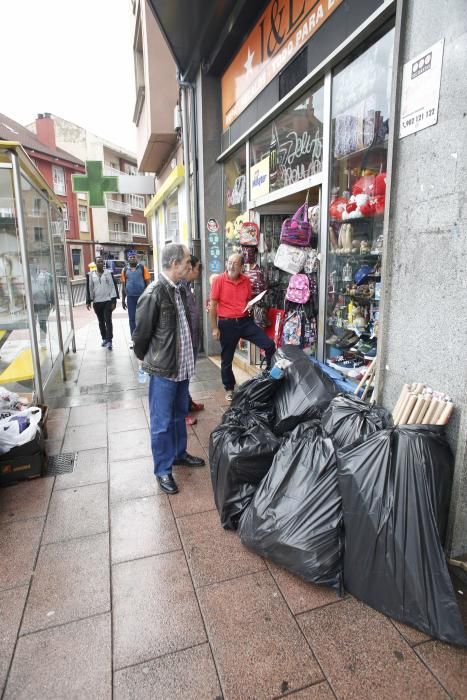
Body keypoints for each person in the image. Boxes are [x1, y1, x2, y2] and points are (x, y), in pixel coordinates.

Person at [133, 243, 205, 495]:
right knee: (162, 422)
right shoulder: (154, 293)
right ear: (174, 264)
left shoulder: (181, 289)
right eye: (186, 261)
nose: (189, 265)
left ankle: (178, 454)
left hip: (182, 368)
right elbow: (140, 336)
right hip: (164, 371)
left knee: (178, 415)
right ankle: (163, 470)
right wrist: (146, 360)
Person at [209, 253, 276, 401]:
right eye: (229, 262)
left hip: (245, 321)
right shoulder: (219, 280)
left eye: (235, 263)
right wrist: (214, 328)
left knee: (269, 345)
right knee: (227, 359)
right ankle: (229, 388)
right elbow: (212, 306)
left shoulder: (246, 280)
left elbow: (247, 299)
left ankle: (269, 377)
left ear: (241, 267)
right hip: (227, 324)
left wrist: (250, 305)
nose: (231, 266)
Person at [181, 255, 204, 426]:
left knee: (188, 376)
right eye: (197, 269)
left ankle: (187, 402)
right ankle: (183, 411)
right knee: (182, 378)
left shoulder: (188, 287)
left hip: (193, 337)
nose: (197, 272)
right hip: (185, 340)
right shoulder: (179, 288)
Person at [86, 256, 119, 350]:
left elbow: (113, 286)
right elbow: (89, 288)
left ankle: (109, 340)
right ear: (95, 264)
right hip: (97, 302)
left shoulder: (108, 273)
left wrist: (114, 301)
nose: (101, 263)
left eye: (102, 262)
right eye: (99, 262)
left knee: (108, 320)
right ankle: (104, 338)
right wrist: (88, 301)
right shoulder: (91, 275)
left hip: (107, 301)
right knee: (101, 321)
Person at [121, 250, 150, 348]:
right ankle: (134, 340)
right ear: (128, 259)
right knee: (132, 319)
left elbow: (148, 283)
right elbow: (123, 286)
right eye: (130, 257)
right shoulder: (125, 270)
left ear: (136, 258)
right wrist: (123, 300)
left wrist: (148, 296)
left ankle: (143, 339)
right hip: (130, 298)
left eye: (134, 257)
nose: (132, 258)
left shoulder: (142, 268)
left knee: (142, 318)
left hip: (142, 297)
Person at [31, 267, 54, 349]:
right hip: (32, 305)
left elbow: (51, 289)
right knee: (33, 323)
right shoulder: (28, 276)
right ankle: (35, 341)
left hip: (43, 303)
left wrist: (53, 302)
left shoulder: (46, 276)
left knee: (42, 323)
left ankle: (43, 340)